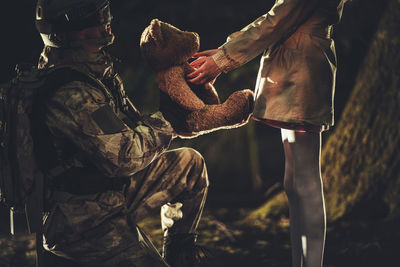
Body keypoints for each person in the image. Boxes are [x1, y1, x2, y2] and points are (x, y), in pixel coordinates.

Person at [34, 0, 208, 266]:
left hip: (112, 192)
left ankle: (179, 255)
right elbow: (124, 157)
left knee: (189, 164)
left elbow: (132, 128)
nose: (104, 21)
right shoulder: (70, 92)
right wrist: (169, 120)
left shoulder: (95, 71)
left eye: (103, 13)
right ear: (63, 33)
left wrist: (177, 114)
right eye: (90, 18)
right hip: (82, 221)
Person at [187, 0, 347, 266]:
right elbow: (276, 20)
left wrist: (222, 59)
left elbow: (276, 20)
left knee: (305, 181)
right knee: (295, 181)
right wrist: (225, 52)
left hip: (301, 70)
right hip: (295, 68)